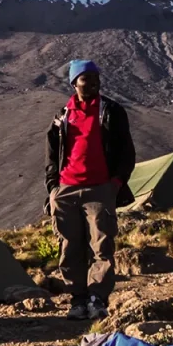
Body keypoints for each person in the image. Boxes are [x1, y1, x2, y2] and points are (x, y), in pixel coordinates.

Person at [45, 59, 135, 319]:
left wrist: (115, 184)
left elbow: (126, 150)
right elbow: (51, 154)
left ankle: (97, 298)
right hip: (67, 189)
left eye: (95, 77)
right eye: (86, 78)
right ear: (75, 83)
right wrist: (53, 187)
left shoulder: (111, 111)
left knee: (101, 246)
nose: (93, 82)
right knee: (69, 246)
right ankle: (77, 299)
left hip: (100, 189)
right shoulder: (62, 116)